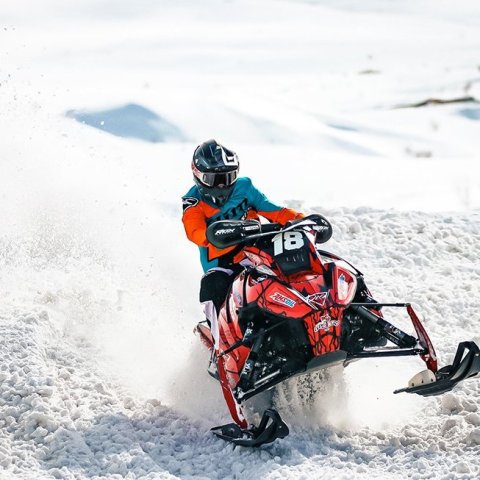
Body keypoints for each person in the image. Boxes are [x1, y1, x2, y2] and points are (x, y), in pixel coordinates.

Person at [182, 139, 304, 341]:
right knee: (211, 284)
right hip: (225, 265)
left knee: (300, 261)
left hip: (260, 253)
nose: (222, 185)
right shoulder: (192, 202)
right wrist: (216, 234)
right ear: (198, 175)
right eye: (214, 179)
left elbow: (273, 210)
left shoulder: (245, 187)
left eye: (228, 177)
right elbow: (195, 232)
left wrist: (301, 220)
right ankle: (219, 343)